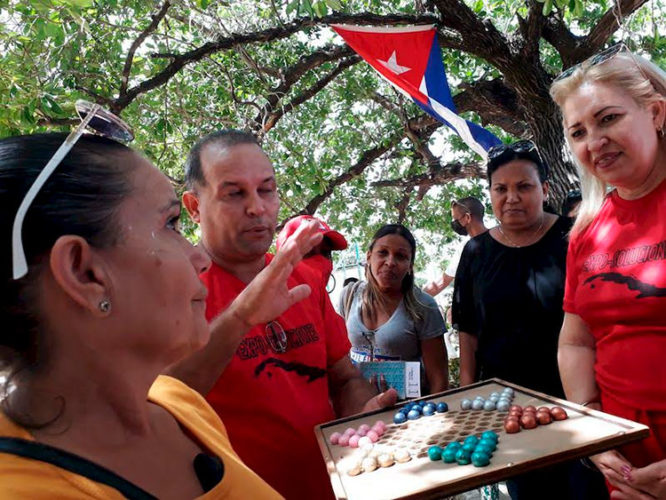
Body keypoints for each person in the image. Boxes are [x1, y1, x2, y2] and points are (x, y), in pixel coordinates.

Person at [0, 129, 284, 498]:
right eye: (170, 224)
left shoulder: (179, 405)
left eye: (267, 189)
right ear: (84, 273)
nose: (198, 258)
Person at [169, 130, 397, 500]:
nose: (257, 207)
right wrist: (241, 315)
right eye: (234, 193)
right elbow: (160, 401)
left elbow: (342, 377)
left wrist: (363, 414)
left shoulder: (305, 280)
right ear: (194, 207)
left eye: (266, 190)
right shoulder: (171, 292)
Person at [452, 140, 608, 499]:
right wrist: (469, 401)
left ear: (545, 189)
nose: (512, 198)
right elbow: (468, 330)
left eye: (524, 186)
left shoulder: (574, 240)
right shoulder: (476, 252)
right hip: (509, 414)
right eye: (500, 189)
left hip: (579, 405)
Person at [550, 44, 666, 499]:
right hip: (624, 466)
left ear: (656, 112)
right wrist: (591, 426)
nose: (593, 142)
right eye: (577, 132)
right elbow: (576, 340)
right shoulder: (585, 231)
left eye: (608, 118)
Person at [340, 224, 448, 396]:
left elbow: (439, 381)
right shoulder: (349, 296)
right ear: (369, 257)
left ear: (410, 265)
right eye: (382, 252)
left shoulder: (423, 306)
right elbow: (338, 359)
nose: (390, 262)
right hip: (360, 409)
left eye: (401, 256)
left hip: (408, 413)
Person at [423, 196, 487, 297]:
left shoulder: (501, 239)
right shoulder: (465, 249)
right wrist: (412, 301)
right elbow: (441, 282)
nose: (454, 223)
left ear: (467, 218)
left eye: (455, 219)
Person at [276, 214, 348, 284]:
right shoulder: (272, 294)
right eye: (309, 251)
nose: (320, 260)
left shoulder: (322, 294)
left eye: (325, 252)